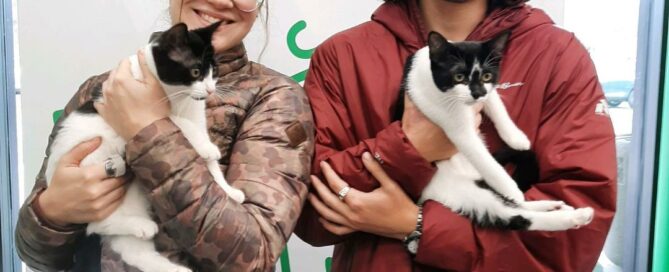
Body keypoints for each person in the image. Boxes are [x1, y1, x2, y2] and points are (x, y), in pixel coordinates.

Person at [295, 0, 617, 271]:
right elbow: (308, 213)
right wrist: (408, 147)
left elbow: (577, 232)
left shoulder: (557, 56)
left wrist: (419, 226)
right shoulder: (343, 56)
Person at [15, 0, 314, 271]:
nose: (222, 1)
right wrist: (51, 212)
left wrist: (147, 128)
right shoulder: (103, 87)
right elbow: (35, 255)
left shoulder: (274, 98)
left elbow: (253, 257)